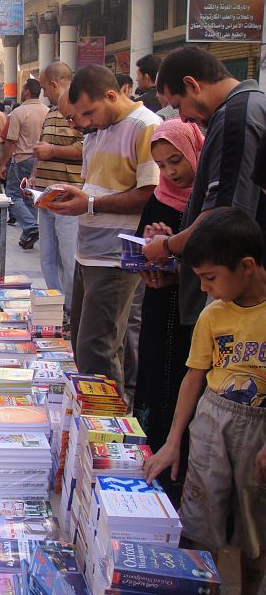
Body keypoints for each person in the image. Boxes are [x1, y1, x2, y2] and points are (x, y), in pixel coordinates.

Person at [143, 208, 266, 595]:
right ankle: (202, 586)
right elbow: (193, 376)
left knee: (255, 525)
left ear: (246, 266)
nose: (206, 288)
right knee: (200, 519)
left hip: (258, 433)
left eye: (210, 278)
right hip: (211, 423)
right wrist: (173, 441)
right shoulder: (213, 314)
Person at [47, 64, 161, 400]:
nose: (82, 123)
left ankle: (107, 430)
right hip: (89, 251)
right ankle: (113, 410)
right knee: (89, 342)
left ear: (112, 95)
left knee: (97, 348)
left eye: (88, 113)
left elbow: (149, 194)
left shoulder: (146, 127)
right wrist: (71, 197)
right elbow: (95, 187)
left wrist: (90, 204)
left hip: (116, 256)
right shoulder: (98, 132)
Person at [142, 46, 266, 331]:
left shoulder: (235, 118)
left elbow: (223, 220)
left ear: (192, 85)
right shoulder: (246, 108)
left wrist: (166, 247)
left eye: (178, 105)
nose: (182, 118)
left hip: (239, 303)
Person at [134, 119, 204, 504]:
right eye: (161, 165)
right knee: (154, 371)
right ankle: (152, 452)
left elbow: (210, 252)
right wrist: (150, 245)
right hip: (161, 303)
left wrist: (173, 247)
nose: (171, 172)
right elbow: (142, 242)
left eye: (176, 160)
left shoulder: (207, 200)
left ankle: (179, 467)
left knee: (183, 378)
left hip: (194, 306)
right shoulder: (160, 196)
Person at [31, 62, 83, 325]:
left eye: (44, 87)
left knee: (69, 257)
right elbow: (43, 147)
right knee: (48, 255)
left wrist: (53, 152)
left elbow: (84, 147)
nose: (43, 93)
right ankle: (56, 304)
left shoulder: (77, 110)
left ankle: (73, 310)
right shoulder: (51, 112)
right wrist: (34, 173)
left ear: (54, 84)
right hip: (46, 196)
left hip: (69, 199)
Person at [0, 79, 49, 249]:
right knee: (31, 197)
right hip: (40, 160)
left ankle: (30, 226)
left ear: (27, 91)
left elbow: (11, 141)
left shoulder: (19, 112)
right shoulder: (47, 111)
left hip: (21, 159)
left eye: (22, 89)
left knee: (13, 195)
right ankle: (28, 235)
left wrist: (3, 164)